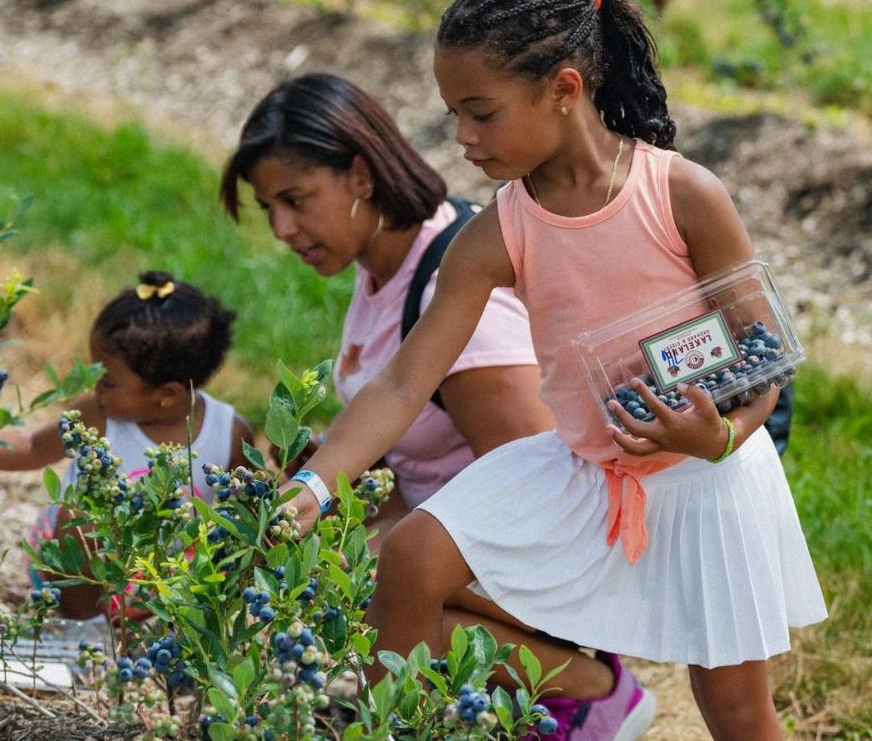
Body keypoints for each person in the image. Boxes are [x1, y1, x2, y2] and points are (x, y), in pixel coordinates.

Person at [283, 0, 826, 741]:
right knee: (410, 558)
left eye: (480, 113)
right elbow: (405, 381)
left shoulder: (682, 195)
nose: (462, 139)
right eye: (454, 115)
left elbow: (763, 356)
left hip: (708, 481)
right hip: (584, 470)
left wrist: (719, 437)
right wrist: (315, 482)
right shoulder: (498, 232)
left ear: (564, 89)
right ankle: (382, 728)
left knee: (737, 712)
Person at [220, 73, 654, 737]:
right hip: (465, 549)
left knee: (356, 573)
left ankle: (591, 691)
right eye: (269, 208)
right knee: (331, 552)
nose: (282, 227)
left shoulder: (450, 293)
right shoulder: (390, 263)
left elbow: (541, 481)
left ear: (360, 176)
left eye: (296, 200)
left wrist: (381, 549)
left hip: (553, 551)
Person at [0, 272, 254, 619]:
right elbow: (33, 447)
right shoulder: (98, 415)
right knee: (82, 516)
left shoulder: (228, 434)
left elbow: (248, 520)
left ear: (167, 394)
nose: (93, 386)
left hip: (165, 579)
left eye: (106, 380)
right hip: (78, 568)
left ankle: (154, 630)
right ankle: (82, 628)